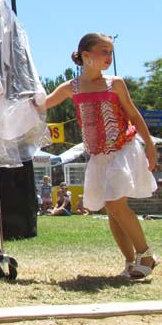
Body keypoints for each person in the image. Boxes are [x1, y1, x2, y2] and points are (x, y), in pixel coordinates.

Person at [44, 32, 158, 279]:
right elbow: (42, 104)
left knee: (116, 203)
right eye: (103, 51)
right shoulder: (71, 87)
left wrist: (149, 146)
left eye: (110, 52)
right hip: (98, 155)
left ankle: (146, 254)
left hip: (122, 150)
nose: (109, 57)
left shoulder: (114, 83)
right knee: (112, 208)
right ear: (86, 55)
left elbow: (135, 115)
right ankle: (131, 262)